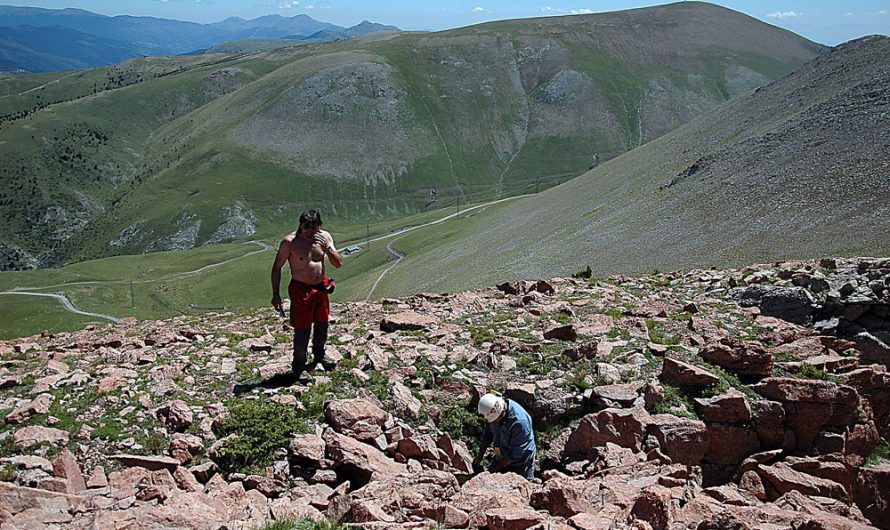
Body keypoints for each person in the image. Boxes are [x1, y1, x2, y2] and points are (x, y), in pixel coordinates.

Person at [271, 209, 342, 381]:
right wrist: (276, 294)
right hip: (300, 289)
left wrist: (328, 249)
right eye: (306, 227)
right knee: (302, 329)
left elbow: (338, 263)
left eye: (314, 228)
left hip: (320, 287)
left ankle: (320, 355)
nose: (309, 231)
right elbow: (277, 267)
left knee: (322, 324)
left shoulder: (324, 238)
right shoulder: (290, 243)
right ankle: (298, 366)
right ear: (300, 225)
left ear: (319, 226)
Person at [472, 393, 536, 481]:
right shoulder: (492, 411)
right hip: (502, 453)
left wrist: (490, 472)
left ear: (501, 413)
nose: (494, 422)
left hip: (521, 463)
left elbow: (512, 456)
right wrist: (480, 455)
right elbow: (488, 432)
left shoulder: (520, 423)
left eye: (494, 420)